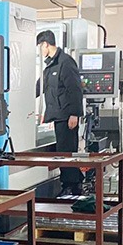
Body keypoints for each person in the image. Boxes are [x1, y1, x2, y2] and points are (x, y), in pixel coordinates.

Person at [37, 30, 85, 195]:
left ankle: (71, 185)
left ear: (46, 44)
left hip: (67, 115)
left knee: (66, 151)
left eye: (40, 47)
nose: (40, 50)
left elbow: (75, 89)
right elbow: (41, 86)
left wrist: (74, 114)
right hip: (57, 115)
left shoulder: (66, 62)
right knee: (63, 149)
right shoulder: (51, 65)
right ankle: (75, 182)